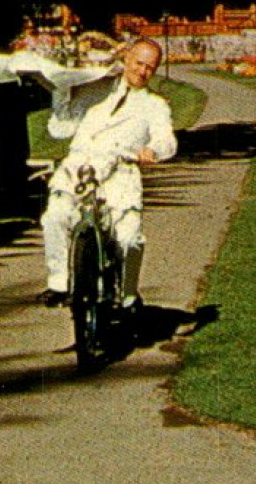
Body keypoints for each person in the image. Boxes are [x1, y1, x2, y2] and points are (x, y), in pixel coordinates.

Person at [39, 38, 176, 308]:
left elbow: (166, 140)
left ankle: (127, 295)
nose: (142, 71)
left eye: (150, 67)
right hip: (80, 167)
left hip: (120, 172)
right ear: (126, 59)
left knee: (129, 238)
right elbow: (60, 129)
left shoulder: (155, 105)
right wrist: (61, 87)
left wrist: (153, 150)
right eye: (138, 63)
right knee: (55, 216)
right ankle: (59, 283)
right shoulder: (95, 90)